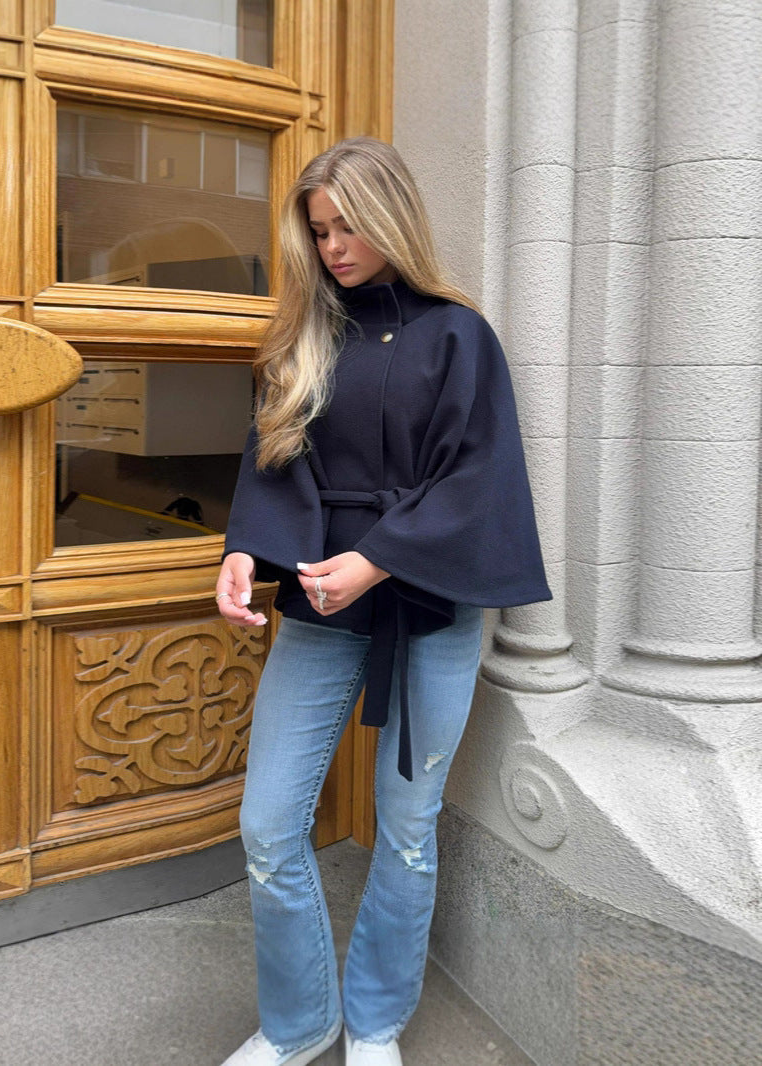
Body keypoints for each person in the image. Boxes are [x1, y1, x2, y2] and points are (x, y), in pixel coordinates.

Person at [215, 137, 551, 1066]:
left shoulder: (457, 335)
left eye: (348, 227)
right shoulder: (305, 335)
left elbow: (480, 477)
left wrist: (379, 558)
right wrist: (243, 549)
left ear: (391, 217)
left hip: (428, 609)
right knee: (267, 826)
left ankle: (374, 1023)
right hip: (320, 604)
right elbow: (269, 456)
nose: (332, 248)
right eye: (318, 231)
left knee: (405, 832)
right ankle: (298, 1024)